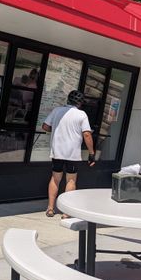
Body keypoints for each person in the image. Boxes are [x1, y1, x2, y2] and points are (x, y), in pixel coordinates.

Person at [42, 90, 96, 218]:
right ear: (80, 103)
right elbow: (87, 134)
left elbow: (45, 126)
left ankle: (50, 208)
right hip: (72, 153)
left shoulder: (56, 110)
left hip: (57, 152)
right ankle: (66, 212)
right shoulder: (81, 114)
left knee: (55, 178)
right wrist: (91, 153)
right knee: (70, 180)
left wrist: (55, 128)